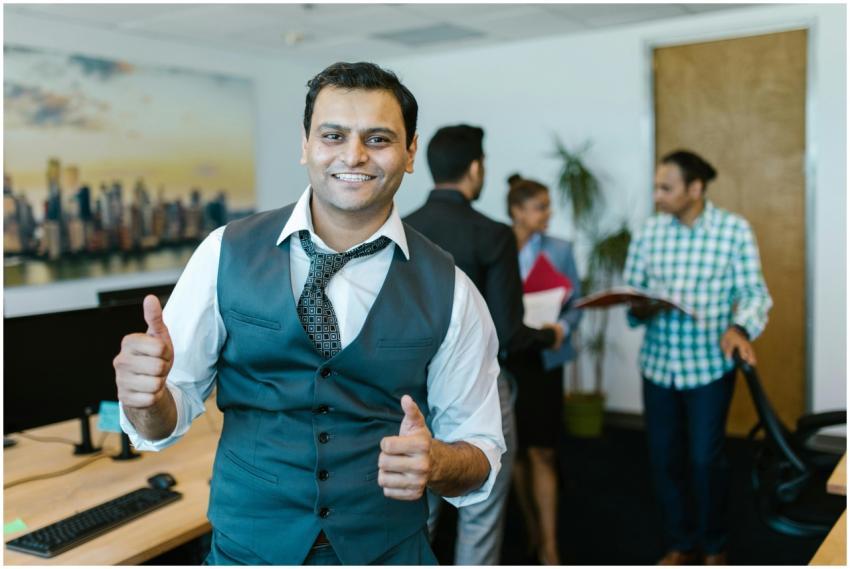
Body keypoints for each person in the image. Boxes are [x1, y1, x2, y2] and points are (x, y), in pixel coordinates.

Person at [113, 62, 506, 566]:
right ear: (305, 145)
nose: (354, 155)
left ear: (410, 153)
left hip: (389, 552)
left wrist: (441, 462)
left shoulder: (451, 288)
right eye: (333, 135)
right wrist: (143, 399)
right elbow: (163, 418)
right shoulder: (224, 253)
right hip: (248, 551)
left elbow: (480, 454)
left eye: (379, 138)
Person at [404, 125, 564, 565]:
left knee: (421, 507)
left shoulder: (402, 229)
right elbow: (509, 333)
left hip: (416, 388)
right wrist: (550, 335)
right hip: (480, 389)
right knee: (481, 507)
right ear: (475, 169)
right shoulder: (493, 234)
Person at [623, 150, 772, 565]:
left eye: (665, 188)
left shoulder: (733, 231)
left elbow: (754, 295)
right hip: (658, 366)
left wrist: (738, 328)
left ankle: (714, 544)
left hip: (708, 366)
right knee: (664, 459)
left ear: (695, 189)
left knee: (705, 460)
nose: (656, 196)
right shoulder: (648, 233)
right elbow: (634, 297)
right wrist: (641, 306)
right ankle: (679, 542)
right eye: (656, 186)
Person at [505, 173, 582, 565]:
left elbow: (577, 304)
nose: (548, 213)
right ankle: (531, 527)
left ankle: (549, 545)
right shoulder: (497, 246)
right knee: (515, 452)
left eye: (549, 205)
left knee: (543, 451)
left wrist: (562, 328)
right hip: (507, 362)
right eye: (540, 206)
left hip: (544, 359)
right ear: (517, 211)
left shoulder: (561, 249)